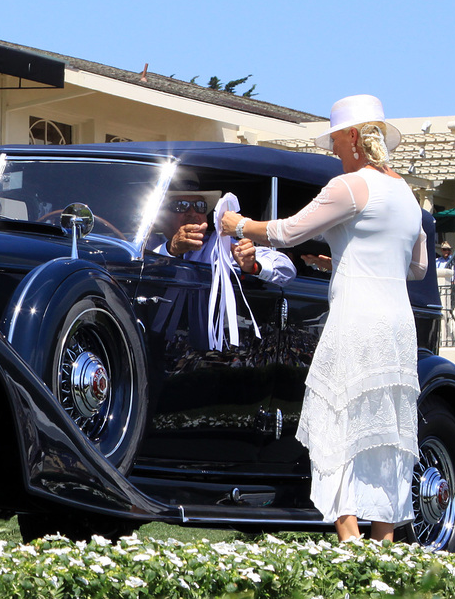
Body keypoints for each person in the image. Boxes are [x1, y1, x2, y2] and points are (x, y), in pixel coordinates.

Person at [219, 94, 425, 543]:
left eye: (335, 140)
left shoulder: (349, 186)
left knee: (339, 418)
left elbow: (290, 230)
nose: (332, 150)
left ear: (352, 137)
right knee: (386, 428)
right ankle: (383, 537)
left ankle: (349, 535)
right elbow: (416, 268)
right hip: (397, 325)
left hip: (357, 319)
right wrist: (342, 259)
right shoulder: (406, 194)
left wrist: (237, 224)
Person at [145, 180, 295, 285]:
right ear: (162, 214)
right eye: (180, 205)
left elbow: (286, 270)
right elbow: (133, 269)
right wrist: (170, 249)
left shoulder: (217, 245)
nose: (192, 212)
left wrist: (253, 266)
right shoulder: (146, 242)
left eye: (200, 206)